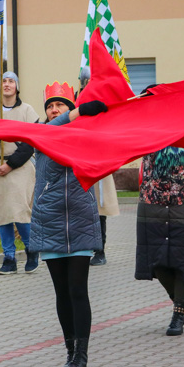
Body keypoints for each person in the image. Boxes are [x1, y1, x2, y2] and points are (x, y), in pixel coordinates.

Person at [30, 81, 106, 367]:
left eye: (60, 104)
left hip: (79, 219)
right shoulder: (40, 134)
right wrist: (75, 114)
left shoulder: (84, 133)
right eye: (50, 105)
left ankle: (81, 359)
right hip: (49, 221)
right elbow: (53, 132)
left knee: (77, 289)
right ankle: (70, 352)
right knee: (61, 293)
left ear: (70, 107)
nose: (53, 109)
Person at [135, 138, 184, 336]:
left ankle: (178, 312)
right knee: (155, 258)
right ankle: (180, 299)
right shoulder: (150, 128)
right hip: (151, 199)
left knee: (182, 258)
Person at [0, 72, 40, 274]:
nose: (7, 84)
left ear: (17, 87)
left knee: (20, 211)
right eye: (4, 81)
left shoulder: (27, 111)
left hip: (19, 167)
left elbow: (30, 143)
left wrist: (11, 164)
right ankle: (9, 257)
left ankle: (31, 249)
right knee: (3, 213)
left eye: (11, 81)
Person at [78, 66, 118, 267]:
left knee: (99, 210)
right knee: (81, 210)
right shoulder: (75, 103)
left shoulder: (103, 102)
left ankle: (100, 250)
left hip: (98, 162)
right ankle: (84, 248)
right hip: (80, 162)